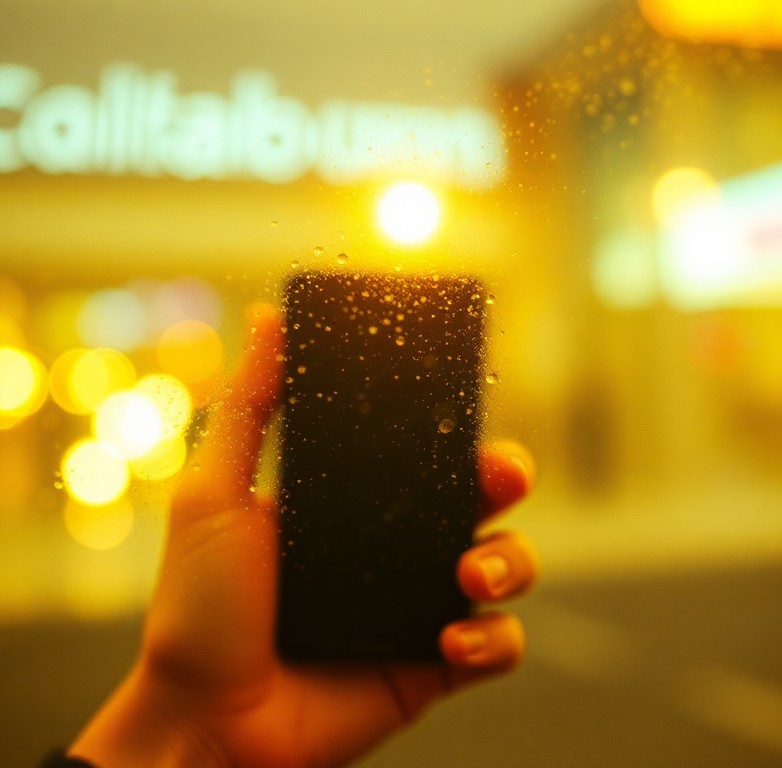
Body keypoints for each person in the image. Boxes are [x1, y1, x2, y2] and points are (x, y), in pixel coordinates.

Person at [58, 304, 541, 768]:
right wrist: (189, 719)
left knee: (498, 482)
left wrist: (189, 727)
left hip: (254, 695)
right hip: (251, 692)